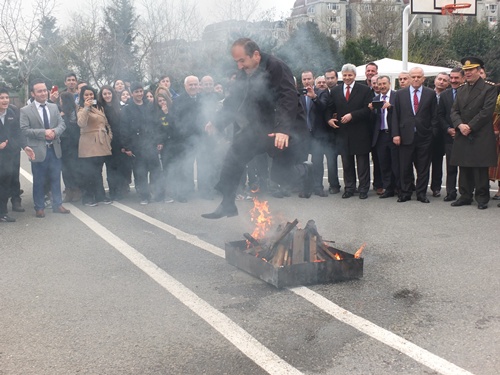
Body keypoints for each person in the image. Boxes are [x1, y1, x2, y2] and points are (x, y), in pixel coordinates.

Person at [201, 38, 312, 219]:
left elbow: (288, 98)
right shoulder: (245, 73)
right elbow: (234, 99)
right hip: (260, 127)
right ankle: (227, 204)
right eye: (236, 62)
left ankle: (305, 170)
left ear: (256, 55)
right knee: (233, 156)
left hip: (285, 128)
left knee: (280, 176)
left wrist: (283, 129)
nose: (239, 66)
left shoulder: (277, 67)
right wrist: (217, 122)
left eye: (242, 60)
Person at [450, 57, 498, 210]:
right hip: (463, 132)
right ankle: (465, 195)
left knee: (480, 167)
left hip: (479, 133)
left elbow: (486, 112)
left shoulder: (489, 88)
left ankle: (482, 197)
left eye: (471, 70)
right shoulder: (462, 88)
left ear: (479, 71)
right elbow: (454, 110)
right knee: (463, 166)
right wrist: (459, 125)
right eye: (466, 70)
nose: (468, 73)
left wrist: (469, 126)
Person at [20, 79, 70, 218]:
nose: (43, 93)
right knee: (39, 180)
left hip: (54, 149)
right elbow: (24, 129)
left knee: (55, 177)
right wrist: (44, 132)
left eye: (44, 90)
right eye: (39, 91)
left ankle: (57, 204)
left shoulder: (53, 107)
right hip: (38, 151)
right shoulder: (25, 110)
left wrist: (54, 132)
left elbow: (62, 124)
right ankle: (39, 207)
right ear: (33, 93)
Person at [392, 67, 439, 203]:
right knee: (405, 167)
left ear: (423, 78)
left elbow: (434, 116)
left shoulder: (430, 94)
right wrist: (396, 134)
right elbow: (396, 115)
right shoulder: (400, 94)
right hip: (405, 136)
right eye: (413, 76)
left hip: (424, 137)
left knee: (423, 168)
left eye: (419, 77)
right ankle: (405, 193)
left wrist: (432, 133)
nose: (416, 79)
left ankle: (421, 194)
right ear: (410, 78)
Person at [326, 63, 373, 200]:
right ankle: (349, 188)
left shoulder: (364, 90)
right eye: (345, 75)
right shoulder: (335, 91)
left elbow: (367, 109)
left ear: (355, 75)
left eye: (350, 75)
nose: (347, 78)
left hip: (360, 133)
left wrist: (352, 115)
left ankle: (363, 189)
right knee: (347, 164)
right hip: (343, 133)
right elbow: (329, 108)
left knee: (362, 164)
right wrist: (328, 119)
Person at [121, 82, 163, 205]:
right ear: (132, 93)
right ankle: (144, 196)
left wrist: (159, 140)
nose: (139, 94)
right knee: (140, 172)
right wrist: (127, 146)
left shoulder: (150, 106)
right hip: (136, 145)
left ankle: (158, 193)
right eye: (136, 92)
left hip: (151, 143)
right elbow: (124, 128)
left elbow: (157, 124)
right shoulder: (127, 109)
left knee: (156, 170)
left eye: (141, 91)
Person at [0, 87, 35, 222]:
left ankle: (3, 212)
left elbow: (18, 132)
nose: (5, 100)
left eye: (6, 97)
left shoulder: (13, 112)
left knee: (6, 182)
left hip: (11, 154)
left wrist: (25, 146)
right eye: (1, 97)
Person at [77, 86, 113, 206]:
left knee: (97, 171)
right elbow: (81, 123)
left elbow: (106, 123)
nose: (89, 97)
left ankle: (100, 195)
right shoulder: (80, 108)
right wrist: (86, 108)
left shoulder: (99, 107)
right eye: (86, 95)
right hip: (88, 143)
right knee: (88, 172)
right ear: (82, 96)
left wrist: (109, 136)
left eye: (91, 94)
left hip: (101, 142)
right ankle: (87, 197)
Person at [171, 76, 202, 202]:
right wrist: (183, 134)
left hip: (201, 139)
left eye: (195, 84)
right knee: (184, 166)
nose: (193, 87)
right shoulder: (178, 101)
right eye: (191, 85)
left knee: (203, 164)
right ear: (185, 86)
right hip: (184, 140)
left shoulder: (203, 99)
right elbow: (175, 121)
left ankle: (204, 190)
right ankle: (183, 192)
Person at [369, 75, 399, 198]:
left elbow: (402, 112)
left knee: (396, 164)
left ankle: (399, 188)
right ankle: (388, 188)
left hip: (393, 134)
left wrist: (391, 107)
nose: (381, 86)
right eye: (379, 84)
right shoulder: (375, 99)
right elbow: (372, 121)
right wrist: (370, 110)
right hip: (380, 135)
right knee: (384, 164)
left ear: (389, 84)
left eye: (383, 84)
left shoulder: (396, 96)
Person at [300, 70, 329, 197]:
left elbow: (323, 108)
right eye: (304, 79)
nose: (307, 81)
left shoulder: (321, 93)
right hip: (303, 135)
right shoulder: (298, 95)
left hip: (317, 134)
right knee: (302, 163)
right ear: (302, 81)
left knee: (317, 162)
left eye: (309, 79)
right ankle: (305, 187)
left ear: (313, 79)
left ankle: (318, 187)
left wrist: (314, 98)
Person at [437, 68, 464, 202]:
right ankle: (451, 192)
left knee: (465, 167)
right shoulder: (444, 95)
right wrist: (448, 128)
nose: (453, 80)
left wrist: (460, 128)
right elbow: (440, 115)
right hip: (449, 136)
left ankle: (465, 193)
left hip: (465, 135)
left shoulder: (467, 93)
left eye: (456, 78)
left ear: (463, 79)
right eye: (451, 78)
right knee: (451, 166)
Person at [98, 85, 128, 201]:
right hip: (105, 141)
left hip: (117, 141)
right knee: (109, 168)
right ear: (102, 95)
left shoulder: (118, 107)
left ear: (113, 94)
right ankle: (112, 191)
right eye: (105, 94)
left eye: (109, 93)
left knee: (118, 167)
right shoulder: (100, 108)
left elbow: (122, 125)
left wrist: (123, 142)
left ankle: (119, 191)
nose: (107, 96)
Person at [429, 72, 450, 197]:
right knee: (423, 162)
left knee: (437, 162)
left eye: (444, 80)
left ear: (448, 83)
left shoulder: (448, 96)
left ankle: (436, 187)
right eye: (439, 79)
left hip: (442, 134)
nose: (441, 82)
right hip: (427, 133)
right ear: (435, 80)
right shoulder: (427, 94)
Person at [59, 91, 82, 203]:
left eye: (61, 100)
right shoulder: (61, 113)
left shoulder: (75, 113)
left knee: (74, 168)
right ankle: (69, 191)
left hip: (73, 145)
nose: (60, 102)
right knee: (65, 169)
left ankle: (77, 190)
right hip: (63, 146)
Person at [154, 92, 175, 203]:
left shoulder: (172, 111)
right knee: (164, 169)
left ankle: (173, 191)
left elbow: (174, 126)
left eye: (164, 100)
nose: (162, 103)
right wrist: (159, 141)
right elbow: (157, 129)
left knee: (173, 169)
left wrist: (167, 113)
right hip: (164, 144)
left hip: (174, 143)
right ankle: (164, 193)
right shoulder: (157, 113)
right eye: (160, 101)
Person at [323, 68, 341, 194]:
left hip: (343, 130)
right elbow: (321, 110)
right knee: (331, 160)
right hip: (328, 132)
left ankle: (351, 185)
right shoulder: (321, 93)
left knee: (347, 160)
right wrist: (328, 118)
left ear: (337, 78)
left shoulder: (342, 91)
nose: (330, 80)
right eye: (327, 78)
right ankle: (334, 185)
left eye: (332, 78)